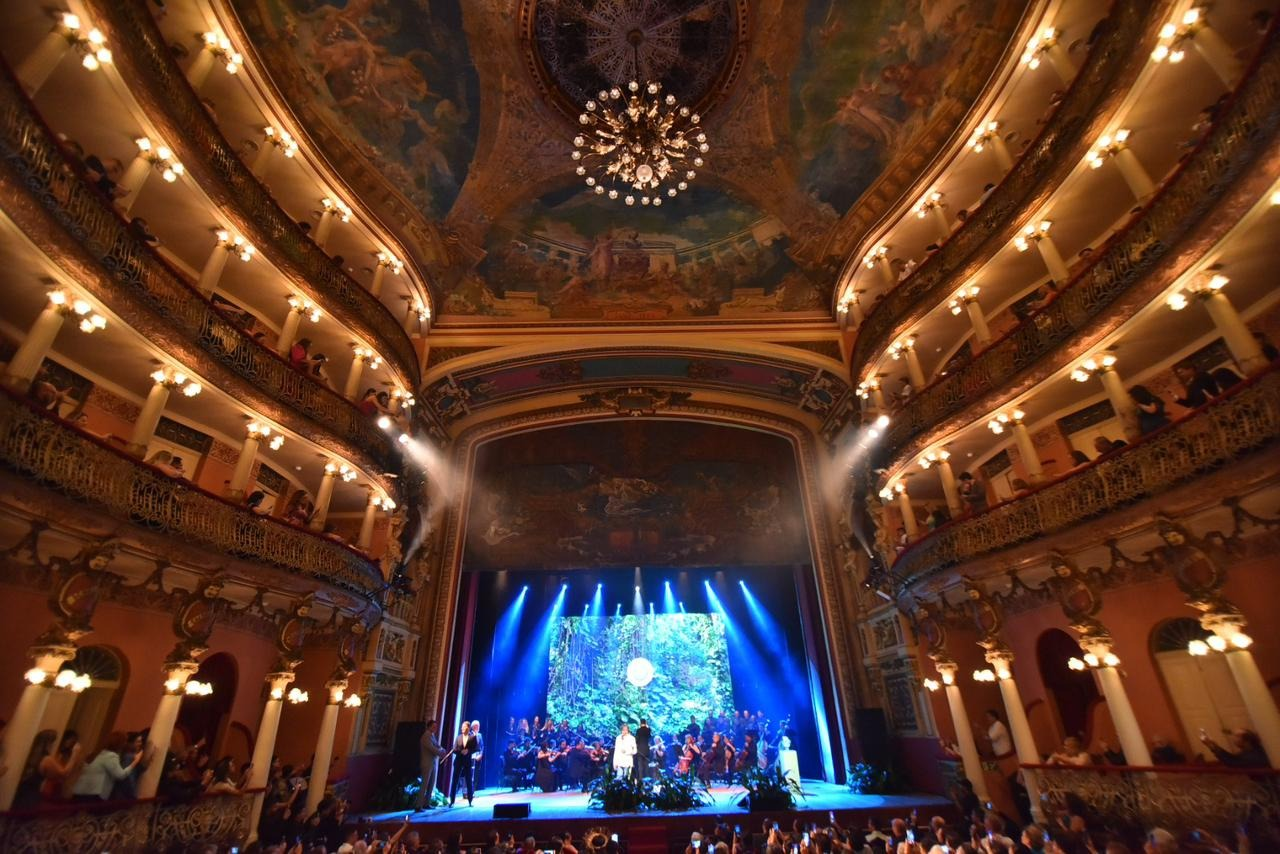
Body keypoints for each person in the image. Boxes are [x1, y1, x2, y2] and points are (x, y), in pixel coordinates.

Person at [15, 729, 81, 806]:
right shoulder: (46, 759)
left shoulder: (32, 755)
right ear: (48, 743)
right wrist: (75, 754)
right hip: (30, 799)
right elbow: (64, 774)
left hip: (18, 795)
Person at [71, 730, 144, 801]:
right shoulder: (111, 756)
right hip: (94, 794)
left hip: (79, 790)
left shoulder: (96, 753)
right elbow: (120, 775)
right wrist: (135, 761)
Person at [415, 719, 447, 809]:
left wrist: (443, 749)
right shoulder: (426, 736)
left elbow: (437, 745)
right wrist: (441, 753)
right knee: (424, 784)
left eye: (436, 727)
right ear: (429, 727)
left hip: (432, 763)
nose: (435, 728)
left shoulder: (432, 735)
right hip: (427, 763)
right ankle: (418, 805)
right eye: (434, 726)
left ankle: (426, 803)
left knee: (431, 784)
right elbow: (431, 748)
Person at [1199, 727, 1267, 767]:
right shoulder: (1250, 750)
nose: (1234, 738)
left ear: (1247, 741)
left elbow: (1232, 763)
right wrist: (1213, 745)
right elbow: (1232, 758)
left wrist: (1211, 746)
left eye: (1237, 736)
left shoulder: (1253, 756)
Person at [449, 720, 478, 806]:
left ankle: (470, 800)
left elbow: (476, 748)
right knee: (455, 780)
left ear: (468, 728)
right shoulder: (458, 737)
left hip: (467, 762)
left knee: (469, 781)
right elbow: (454, 749)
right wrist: (461, 751)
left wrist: (468, 751)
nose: (462, 728)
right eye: (462, 727)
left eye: (464, 727)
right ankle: (452, 801)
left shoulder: (472, 737)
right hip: (458, 761)